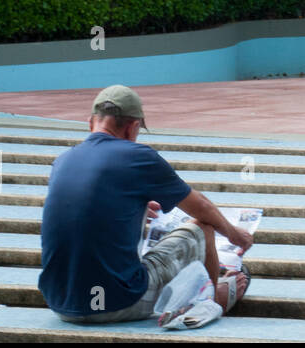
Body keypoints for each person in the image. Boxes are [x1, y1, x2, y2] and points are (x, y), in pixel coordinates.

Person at [38, 85, 253, 324]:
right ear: (133, 127)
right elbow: (201, 206)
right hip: (116, 303)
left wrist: (135, 207)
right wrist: (236, 236)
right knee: (203, 228)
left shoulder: (63, 161)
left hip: (60, 303)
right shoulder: (138, 156)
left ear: (91, 123)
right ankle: (210, 301)